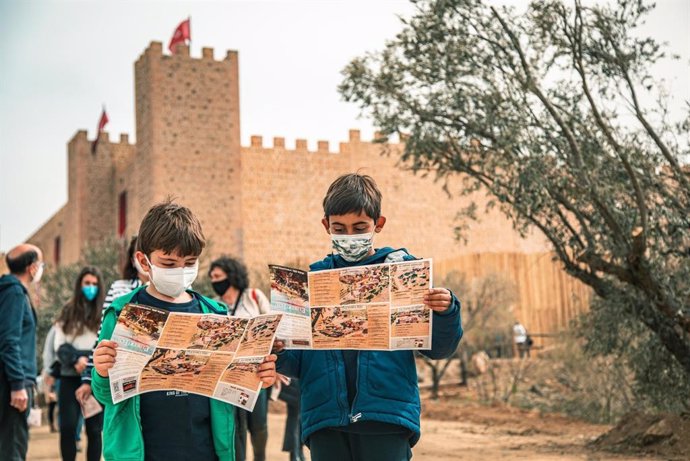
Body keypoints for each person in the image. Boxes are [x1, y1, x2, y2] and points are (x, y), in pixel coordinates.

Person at [275, 173, 463, 461]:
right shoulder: (311, 282)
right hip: (326, 423)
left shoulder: (404, 272)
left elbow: (438, 349)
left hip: (386, 419)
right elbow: (297, 362)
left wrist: (445, 311)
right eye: (340, 228)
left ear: (378, 224)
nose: (350, 236)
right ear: (326, 225)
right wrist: (278, 348)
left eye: (359, 227)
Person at [91, 201, 277, 461]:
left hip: (205, 451)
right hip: (143, 452)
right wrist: (101, 371)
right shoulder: (121, 313)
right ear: (144, 261)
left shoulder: (214, 312)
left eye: (190, 262)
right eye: (168, 263)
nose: (180, 271)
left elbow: (232, 391)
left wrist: (258, 377)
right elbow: (105, 394)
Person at [209, 256, 271, 461]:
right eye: (212, 277)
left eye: (218, 276)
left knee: (259, 423)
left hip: (255, 371)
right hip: (229, 374)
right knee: (237, 425)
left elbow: (270, 326)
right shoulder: (215, 305)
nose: (214, 281)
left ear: (231, 275)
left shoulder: (253, 296)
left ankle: (260, 457)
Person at [77, 236, 148, 405]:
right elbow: (104, 334)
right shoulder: (119, 288)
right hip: (124, 367)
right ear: (134, 260)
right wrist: (88, 377)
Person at [51, 266, 105, 461]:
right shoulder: (68, 310)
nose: (90, 287)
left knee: (94, 429)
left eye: (94, 284)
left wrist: (90, 362)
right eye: (86, 283)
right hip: (70, 376)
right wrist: (75, 359)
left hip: (94, 379)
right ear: (79, 285)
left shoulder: (103, 312)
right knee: (67, 427)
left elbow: (104, 342)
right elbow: (60, 343)